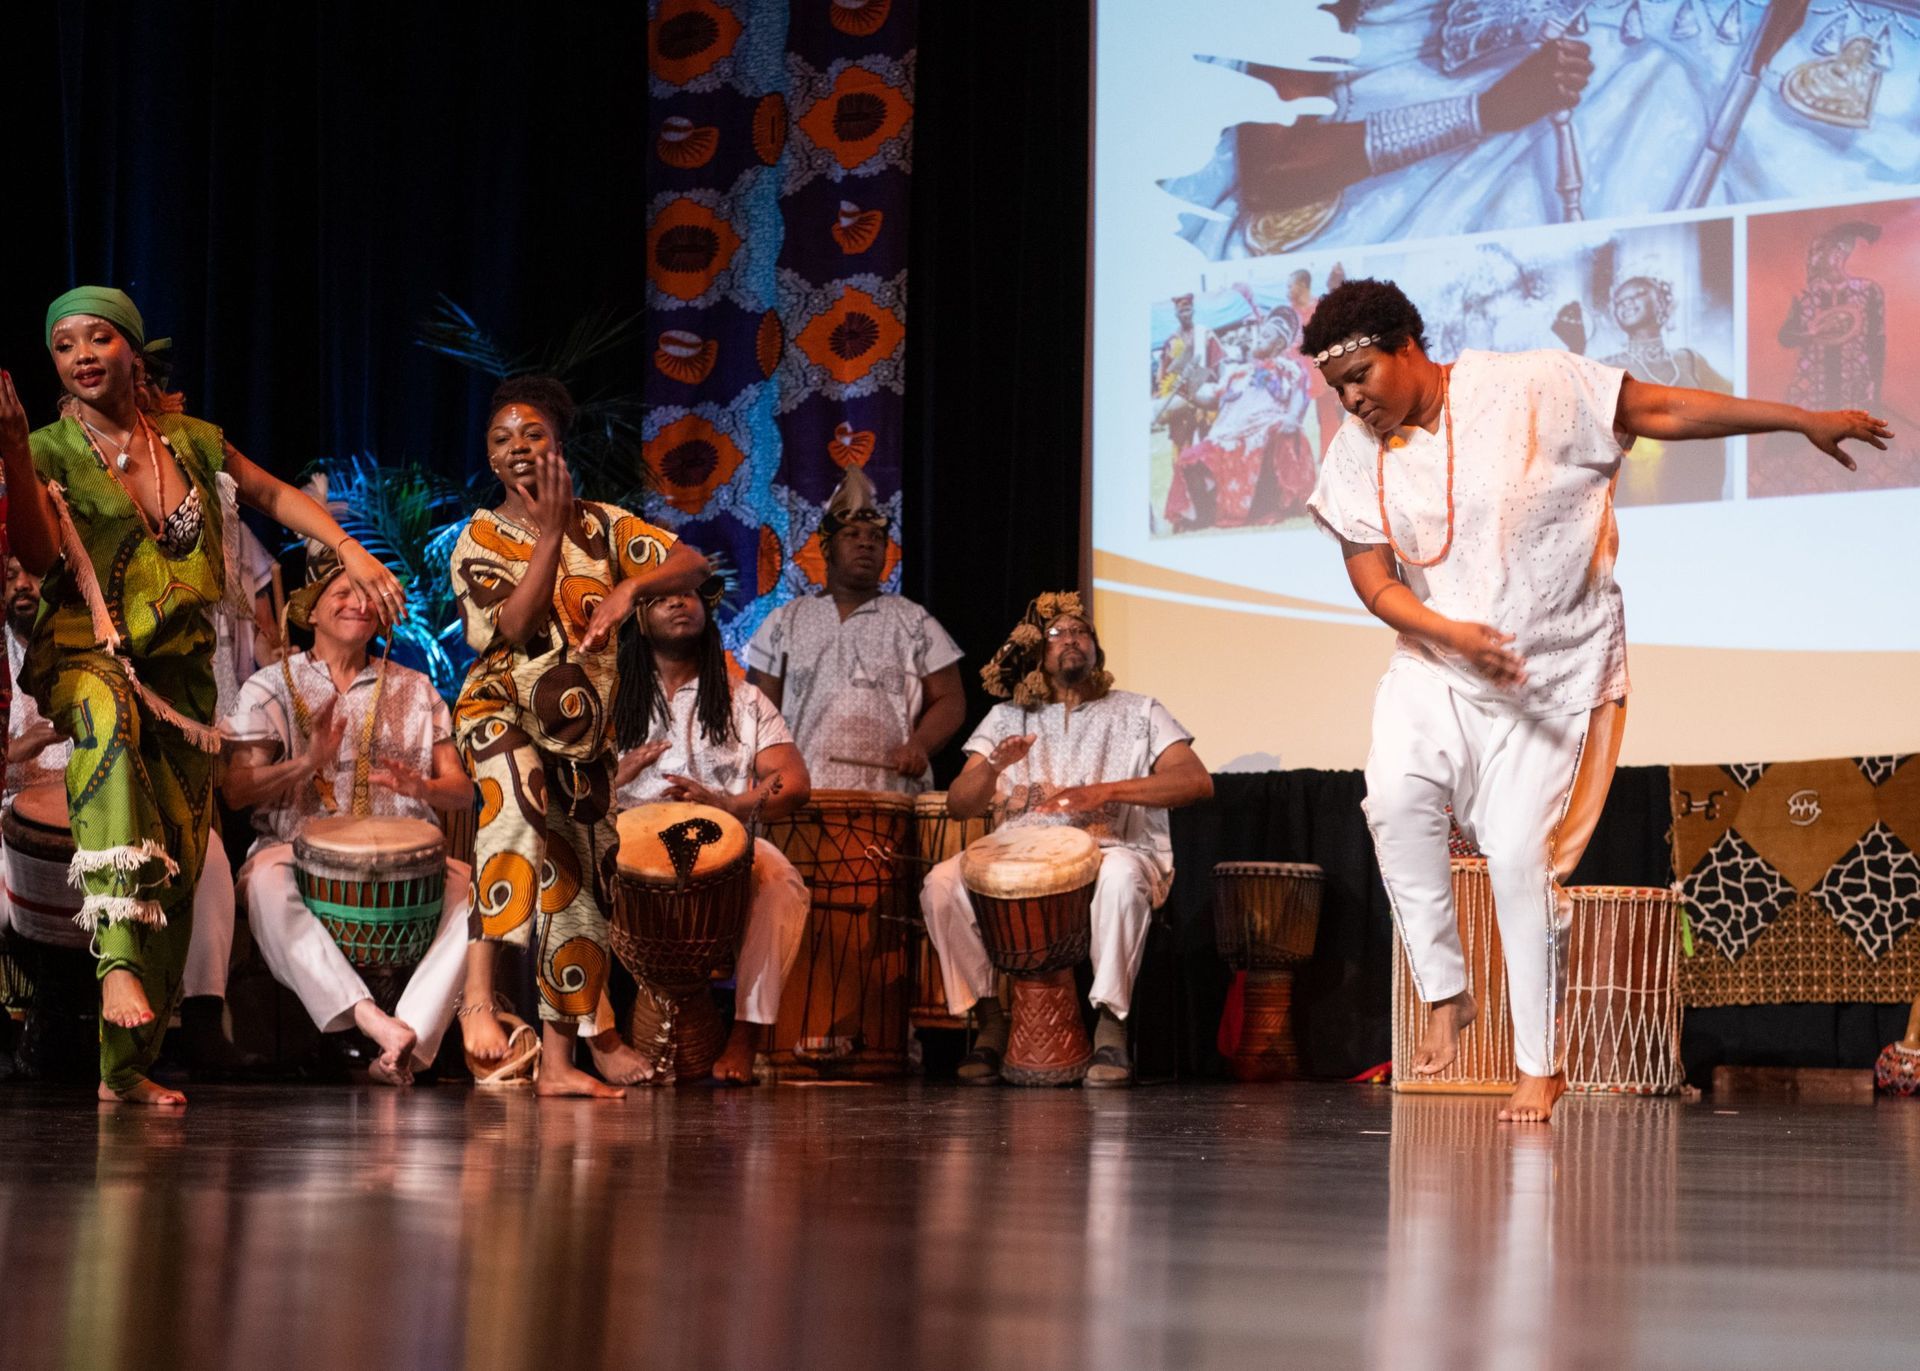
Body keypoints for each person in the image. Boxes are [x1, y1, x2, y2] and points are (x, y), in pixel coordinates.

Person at [1301, 277, 1889, 1122]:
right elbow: (1371, 577)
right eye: (1338, 389)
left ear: (1406, 344)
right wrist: (1447, 631)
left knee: (1516, 859)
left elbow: (1664, 410)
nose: (1353, 400)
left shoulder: (1529, 385)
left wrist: (1797, 418)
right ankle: (1446, 992)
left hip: (1553, 678)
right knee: (1392, 798)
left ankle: (1540, 1066)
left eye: (1362, 376)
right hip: (1437, 665)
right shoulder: (1357, 453)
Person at [0, 286, 407, 1107]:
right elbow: (43, 558)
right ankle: (114, 967)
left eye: (99, 338)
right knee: (106, 723)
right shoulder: (47, 447)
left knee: (180, 863)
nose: (81, 355)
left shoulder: (190, 441)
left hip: (182, 675)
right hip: (88, 651)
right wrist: (12, 449)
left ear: (133, 353)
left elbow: (273, 496)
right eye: (64, 344)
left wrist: (347, 550)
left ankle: (125, 1068)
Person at [450, 375, 709, 1099]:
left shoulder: (607, 524)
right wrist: (552, 534)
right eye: (502, 439)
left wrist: (633, 587)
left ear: (558, 444)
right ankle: (478, 998)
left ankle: (561, 1063)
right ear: (491, 460)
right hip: (499, 707)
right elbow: (516, 626)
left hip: (581, 737)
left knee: (583, 892)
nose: (518, 447)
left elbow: (693, 562)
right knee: (515, 811)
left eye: (532, 434)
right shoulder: (479, 536)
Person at [919, 592, 1213, 1087]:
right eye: (1057, 633)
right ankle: (990, 1022)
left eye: (1082, 632)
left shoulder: (1139, 711)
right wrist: (993, 766)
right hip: (1017, 858)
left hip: (1112, 848)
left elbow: (1196, 782)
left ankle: (1111, 1029)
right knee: (940, 884)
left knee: (1120, 877)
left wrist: (1107, 790)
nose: (1072, 639)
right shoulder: (1006, 718)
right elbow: (960, 805)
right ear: (1037, 652)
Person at [220, 558, 473, 1085]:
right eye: (343, 592)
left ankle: (406, 1040)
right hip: (294, 852)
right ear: (310, 611)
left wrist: (421, 787)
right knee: (265, 884)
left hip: (408, 865)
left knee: (473, 893)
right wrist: (307, 763)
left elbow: (463, 792)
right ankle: (370, 1020)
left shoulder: (418, 689)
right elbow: (238, 791)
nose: (359, 603)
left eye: (370, 597)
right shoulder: (267, 687)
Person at [611, 583, 811, 1083]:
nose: (682, 602)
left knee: (781, 882)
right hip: (626, 847)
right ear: (637, 616)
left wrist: (731, 803)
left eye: (692, 595)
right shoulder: (607, 695)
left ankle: (747, 1035)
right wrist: (614, 779)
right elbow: (562, 787)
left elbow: (794, 781)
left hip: (723, 843)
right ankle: (600, 1041)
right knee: (562, 875)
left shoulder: (744, 700)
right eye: (664, 597)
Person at [745, 466, 964, 794]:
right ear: (826, 548)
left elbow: (951, 699)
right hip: (801, 793)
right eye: (852, 535)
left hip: (891, 792)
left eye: (875, 537)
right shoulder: (784, 620)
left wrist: (920, 744)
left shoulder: (914, 620)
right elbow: (758, 707)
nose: (866, 544)